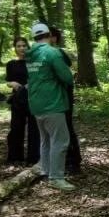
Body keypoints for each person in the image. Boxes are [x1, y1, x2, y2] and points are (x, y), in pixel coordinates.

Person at [26, 23, 76, 191]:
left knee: (45, 139)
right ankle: (56, 177)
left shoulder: (30, 54)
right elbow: (67, 77)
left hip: (36, 102)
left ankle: (46, 170)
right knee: (60, 140)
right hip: (52, 102)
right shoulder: (52, 52)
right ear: (49, 35)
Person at [49, 28, 83, 175]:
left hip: (63, 99)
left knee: (67, 128)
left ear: (54, 38)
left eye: (47, 36)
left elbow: (67, 78)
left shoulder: (59, 55)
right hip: (52, 100)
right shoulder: (45, 55)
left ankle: (74, 162)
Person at [4, 37, 39, 166]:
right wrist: (11, 83)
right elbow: (8, 81)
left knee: (34, 129)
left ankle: (34, 158)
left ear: (28, 47)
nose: (22, 48)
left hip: (34, 98)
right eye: (18, 46)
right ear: (15, 48)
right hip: (18, 99)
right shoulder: (11, 64)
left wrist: (31, 84)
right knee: (16, 127)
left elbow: (40, 77)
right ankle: (15, 157)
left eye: (24, 45)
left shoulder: (34, 63)